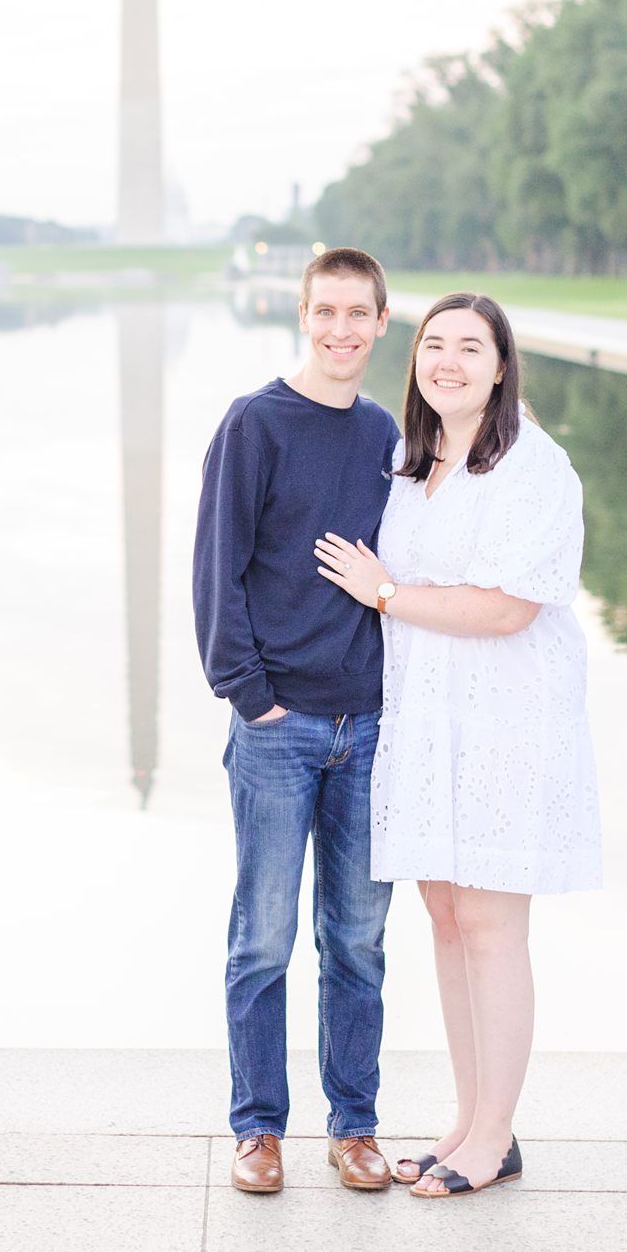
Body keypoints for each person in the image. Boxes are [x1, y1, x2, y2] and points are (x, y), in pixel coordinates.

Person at [313, 291, 599, 1200]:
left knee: (490, 925)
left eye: (470, 347)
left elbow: (509, 606)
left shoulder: (532, 467)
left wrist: (387, 594)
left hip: (505, 720)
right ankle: (471, 1119)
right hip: (428, 720)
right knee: (443, 917)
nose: (447, 361)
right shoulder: (414, 462)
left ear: (502, 365)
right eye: (433, 344)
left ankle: (497, 1134)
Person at [193, 247, 403, 1196]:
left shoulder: (385, 436)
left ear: (380, 323)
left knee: (357, 938)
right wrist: (251, 694)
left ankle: (353, 1125)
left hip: (367, 728)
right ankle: (257, 1127)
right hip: (278, 727)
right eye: (326, 311)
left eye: (358, 314)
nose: (341, 330)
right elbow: (218, 568)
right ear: (302, 314)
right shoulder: (254, 424)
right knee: (263, 936)